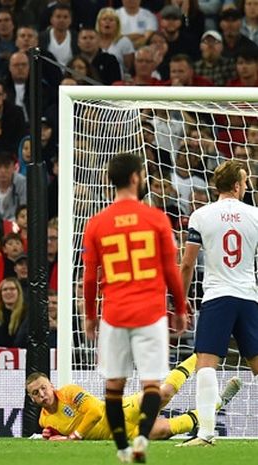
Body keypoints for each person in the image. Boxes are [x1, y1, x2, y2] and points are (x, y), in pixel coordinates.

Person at [82, 152, 188, 463]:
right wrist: (180, 308)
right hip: (151, 312)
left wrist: (90, 316)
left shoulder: (96, 224)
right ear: (135, 178)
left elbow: (90, 278)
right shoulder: (157, 219)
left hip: (114, 314)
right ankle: (142, 438)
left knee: (114, 385)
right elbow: (171, 270)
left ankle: (122, 449)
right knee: (151, 383)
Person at [179, 160, 258, 446]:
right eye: (246, 182)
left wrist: (180, 300)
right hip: (248, 297)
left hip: (217, 296)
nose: (247, 186)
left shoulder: (201, 216)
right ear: (237, 186)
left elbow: (187, 263)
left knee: (206, 364)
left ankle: (206, 433)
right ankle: (206, 433)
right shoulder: (255, 215)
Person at [25, 355, 242, 442]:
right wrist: (52, 437)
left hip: (122, 410)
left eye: (43, 388)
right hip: (125, 435)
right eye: (36, 393)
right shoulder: (45, 422)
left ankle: (199, 355)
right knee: (167, 429)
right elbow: (54, 438)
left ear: (51, 385)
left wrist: (72, 437)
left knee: (162, 393)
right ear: (32, 399)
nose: (42, 394)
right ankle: (219, 403)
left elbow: (96, 412)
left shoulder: (69, 392)